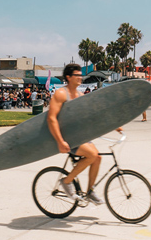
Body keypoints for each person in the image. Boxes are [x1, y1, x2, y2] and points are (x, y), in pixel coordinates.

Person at [47, 63, 122, 205]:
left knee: (97, 158)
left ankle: (90, 192)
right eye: (77, 75)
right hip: (68, 137)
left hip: (80, 136)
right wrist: (60, 141)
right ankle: (66, 181)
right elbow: (51, 118)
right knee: (92, 155)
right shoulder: (61, 94)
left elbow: (92, 115)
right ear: (68, 77)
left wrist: (113, 125)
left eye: (81, 75)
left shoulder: (80, 95)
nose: (81, 77)